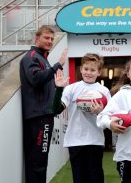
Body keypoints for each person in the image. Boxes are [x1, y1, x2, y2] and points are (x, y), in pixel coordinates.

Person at [52, 53, 111, 183]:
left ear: (99, 72)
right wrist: (59, 89)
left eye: (92, 70)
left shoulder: (104, 91)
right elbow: (56, 110)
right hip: (75, 141)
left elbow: (109, 119)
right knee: (79, 179)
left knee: (95, 178)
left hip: (95, 141)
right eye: (86, 69)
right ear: (81, 69)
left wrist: (99, 112)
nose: (88, 72)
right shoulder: (71, 88)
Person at [19, 25, 67, 183]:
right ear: (36, 38)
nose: (50, 41)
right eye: (46, 38)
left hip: (43, 117)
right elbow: (36, 79)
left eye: (52, 39)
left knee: (40, 161)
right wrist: (57, 65)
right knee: (37, 163)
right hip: (38, 118)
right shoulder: (32, 57)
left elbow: (45, 89)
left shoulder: (42, 59)